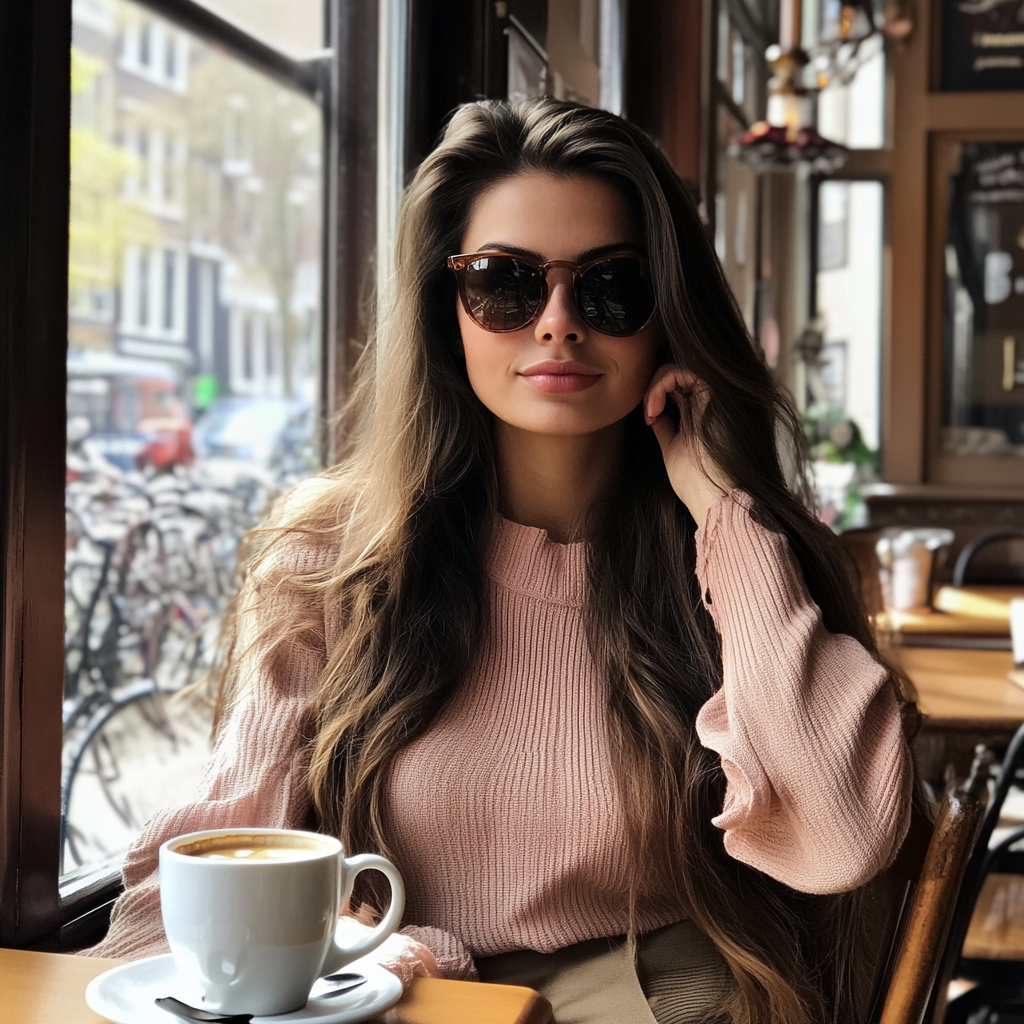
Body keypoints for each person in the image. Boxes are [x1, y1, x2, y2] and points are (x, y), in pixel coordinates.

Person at [88, 99, 915, 1024]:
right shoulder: (327, 555)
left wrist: (725, 514)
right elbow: (215, 855)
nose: (557, 324)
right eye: (505, 283)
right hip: (405, 999)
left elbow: (843, 834)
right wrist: (366, 951)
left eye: (611, 286)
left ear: (667, 312)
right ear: (449, 313)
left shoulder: (728, 558)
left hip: (659, 999)